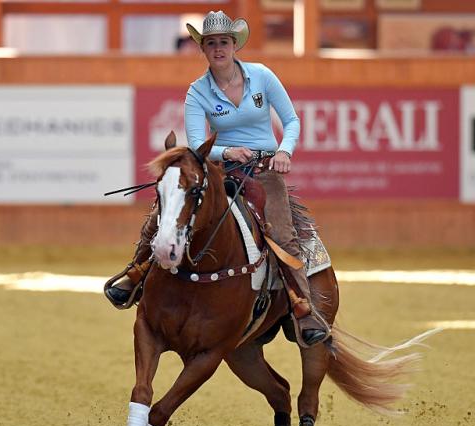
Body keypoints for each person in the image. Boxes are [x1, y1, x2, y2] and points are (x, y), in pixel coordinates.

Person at [104, 11, 329, 347]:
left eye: (224, 42)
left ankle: (302, 308)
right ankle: (136, 271)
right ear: (203, 49)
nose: (218, 48)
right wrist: (226, 153)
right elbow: (196, 144)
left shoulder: (263, 76)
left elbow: (292, 120)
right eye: (211, 43)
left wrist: (284, 152)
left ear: (234, 45)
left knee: (283, 232)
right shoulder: (197, 91)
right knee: (166, 209)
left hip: (265, 170)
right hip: (220, 169)